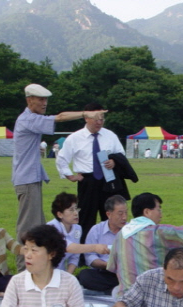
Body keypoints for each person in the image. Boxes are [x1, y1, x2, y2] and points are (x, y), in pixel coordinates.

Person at [12, 84, 106, 270]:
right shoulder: (28, 119)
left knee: (36, 225)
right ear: (29, 100)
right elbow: (61, 117)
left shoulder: (31, 118)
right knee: (28, 226)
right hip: (27, 180)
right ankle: (24, 269)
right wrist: (86, 113)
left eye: (46, 99)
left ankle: (33, 265)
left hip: (31, 179)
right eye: (40, 99)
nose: (44, 103)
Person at [56, 102, 126, 241]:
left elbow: (121, 154)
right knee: (86, 217)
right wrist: (70, 176)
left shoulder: (110, 135)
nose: (99, 122)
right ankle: (84, 252)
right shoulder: (75, 138)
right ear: (86, 118)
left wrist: (115, 162)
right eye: (96, 118)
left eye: (102, 119)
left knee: (111, 216)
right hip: (87, 181)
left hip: (108, 180)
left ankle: (114, 248)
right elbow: (62, 158)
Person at [46, 192, 109, 273]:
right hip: (45, 272)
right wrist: (95, 247)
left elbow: (75, 256)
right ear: (60, 214)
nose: (76, 213)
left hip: (60, 273)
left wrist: (68, 276)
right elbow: (67, 247)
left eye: (76, 208)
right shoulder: (51, 227)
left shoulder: (77, 228)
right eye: (71, 210)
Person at [77, 195, 128, 293]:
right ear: (109, 214)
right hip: (104, 271)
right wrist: (108, 265)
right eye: (120, 214)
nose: (124, 217)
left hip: (126, 272)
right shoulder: (96, 230)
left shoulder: (131, 230)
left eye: (126, 213)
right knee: (85, 275)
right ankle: (115, 289)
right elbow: (90, 257)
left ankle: (112, 290)